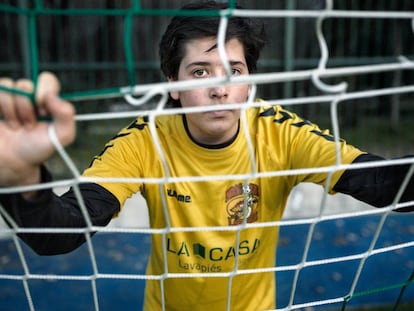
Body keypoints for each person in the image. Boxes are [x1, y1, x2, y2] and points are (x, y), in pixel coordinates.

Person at [0, 1, 413, 310]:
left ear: (250, 78)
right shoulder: (145, 141)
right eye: (200, 71)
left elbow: (386, 186)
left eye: (234, 70)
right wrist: (20, 178)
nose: (221, 88)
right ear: (172, 85)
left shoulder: (280, 132)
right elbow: (59, 234)